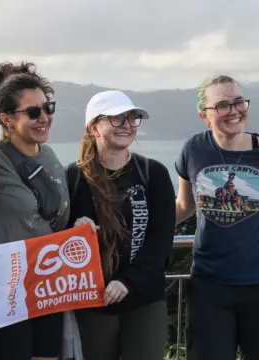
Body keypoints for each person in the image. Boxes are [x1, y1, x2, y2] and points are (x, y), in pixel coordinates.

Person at [175, 75, 259, 360]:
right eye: (222, 105)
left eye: (238, 101)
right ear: (205, 115)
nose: (234, 110)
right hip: (210, 285)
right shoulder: (194, 150)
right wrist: (140, 227)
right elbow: (185, 206)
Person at [0, 61, 95, 360]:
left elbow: (50, 220)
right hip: (5, 292)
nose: (44, 118)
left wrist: (79, 225)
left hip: (47, 286)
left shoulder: (49, 155)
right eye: (34, 112)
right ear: (7, 120)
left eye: (48, 108)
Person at [66, 90, 176, 360]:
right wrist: (73, 229)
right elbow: (57, 236)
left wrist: (128, 281)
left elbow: (160, 240)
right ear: (94, 128)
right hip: (92, 300)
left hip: (145, 297)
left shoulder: (153, 174)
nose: (127, 125)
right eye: (117, 119)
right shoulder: (74, 177)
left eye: (132, 119)